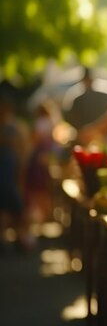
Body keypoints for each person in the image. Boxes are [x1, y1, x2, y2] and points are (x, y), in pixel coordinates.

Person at [0, 90, 32, 250]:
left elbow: (23, 150)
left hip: (12, 172)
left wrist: (22, 170)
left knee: (17, 206)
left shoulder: (16, 127)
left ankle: (22, 237)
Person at [63, 67, 107, 133]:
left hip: (88, 134)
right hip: (98, 133)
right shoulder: (106, 97)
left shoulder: (78, 100)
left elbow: (70, 119)